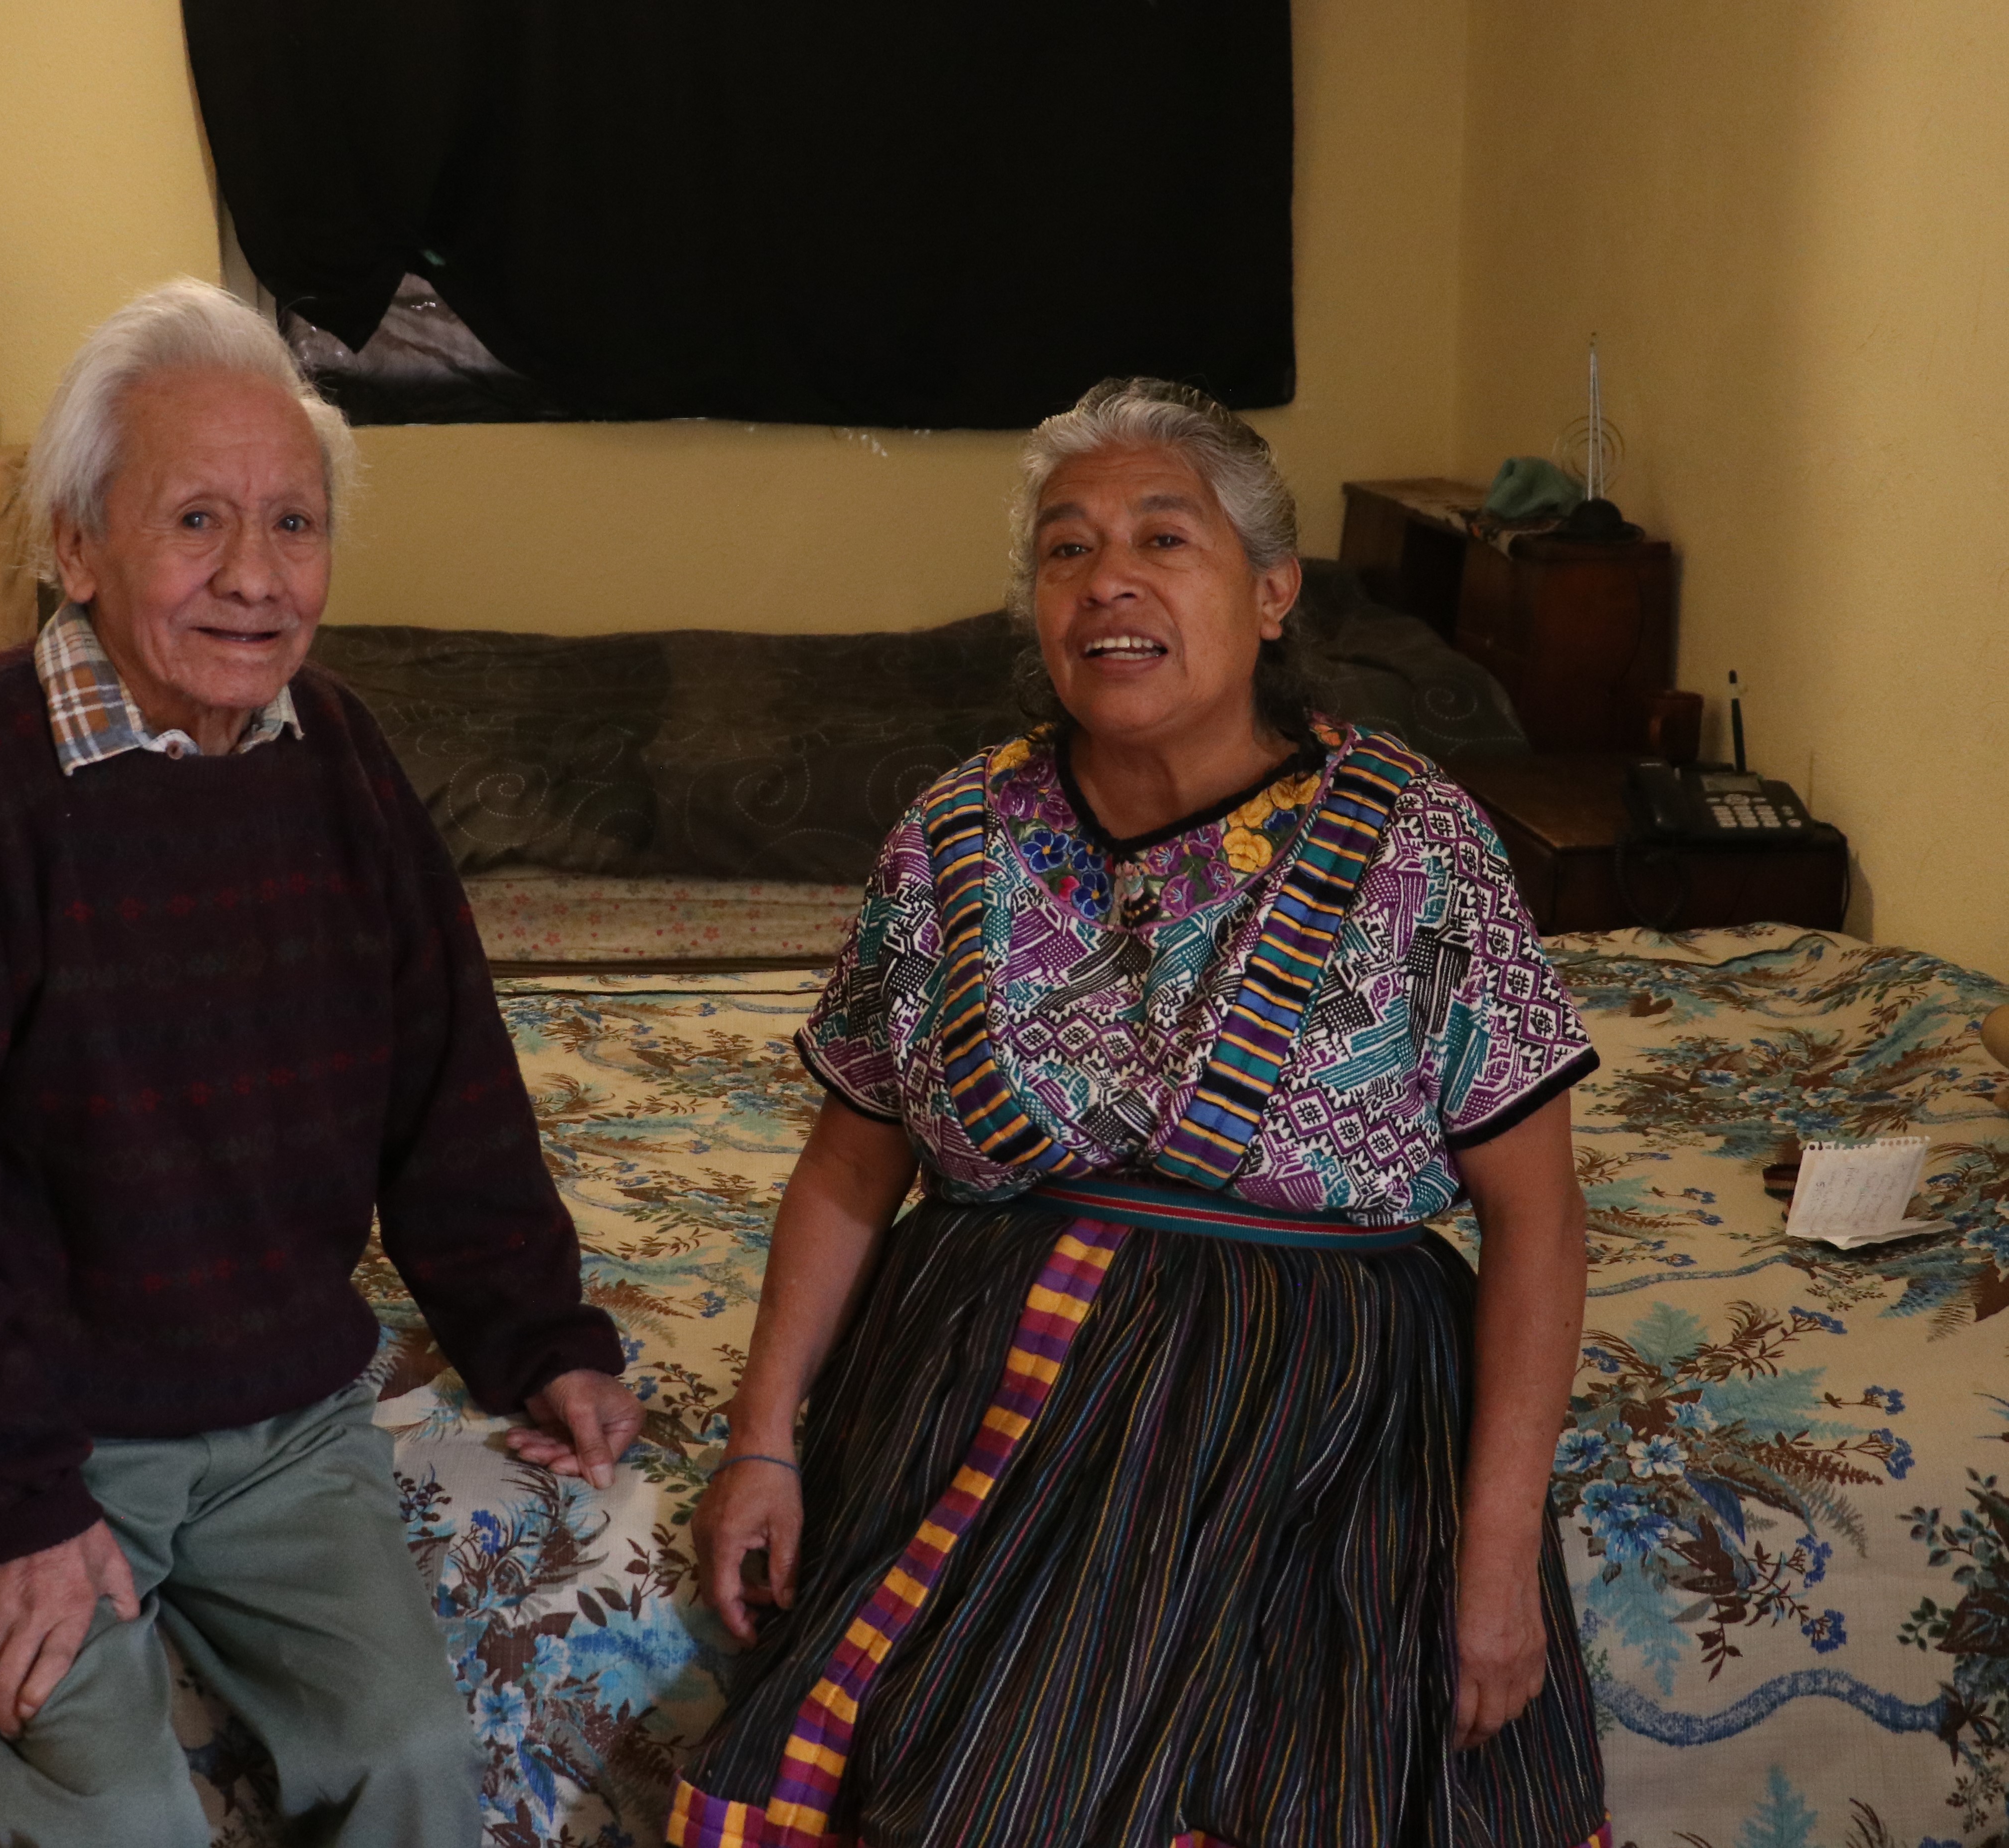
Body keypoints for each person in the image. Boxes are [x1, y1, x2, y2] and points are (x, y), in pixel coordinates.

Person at [672, 378, 1608, 1848]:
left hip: (1327, 1414)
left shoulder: (1417, 843)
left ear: (1272, 593)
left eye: (1162, 540)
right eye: (1064, 550)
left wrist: (1491, 1560)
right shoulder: (949, 835)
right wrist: (764, 1443)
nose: (1105, 579)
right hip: (990, 1391)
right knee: (962, 1777)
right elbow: (854, 1159)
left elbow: (1538, 1220)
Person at [0, 278, 645, 1848]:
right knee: (114, 1814)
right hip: (45, 1415)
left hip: (282, 1419)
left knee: (407, 1757)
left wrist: (536, 1336)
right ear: (75, 544)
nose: (255, 579)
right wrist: (16, 1502)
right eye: (194, 521)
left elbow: (446, 1084)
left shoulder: (342, 759)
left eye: (296, 525)